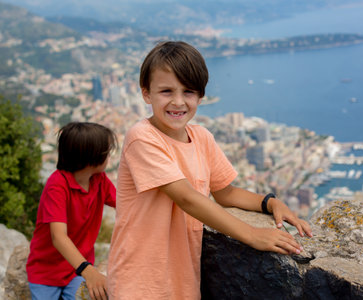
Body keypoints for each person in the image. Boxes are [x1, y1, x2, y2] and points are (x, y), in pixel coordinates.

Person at [106, 41, 313, 299]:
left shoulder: (201, 137)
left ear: (201, 96)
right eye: (166, 91)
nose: (178, 101)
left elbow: (225, 193)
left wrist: (270, 203)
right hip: (138, 281)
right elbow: (186, 198)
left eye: (188, 92)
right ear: (146, 93)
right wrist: (251, 234)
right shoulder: (142, 138)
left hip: (182, 280)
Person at [26, 122, 117, 300]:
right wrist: (88, 270)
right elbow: (58, 237)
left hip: (75, 270)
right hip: (47, 271)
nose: (109, 158)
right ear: (91, 157)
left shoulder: (99, 180)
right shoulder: (57, 186)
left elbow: (125, 204)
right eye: (106, 153)